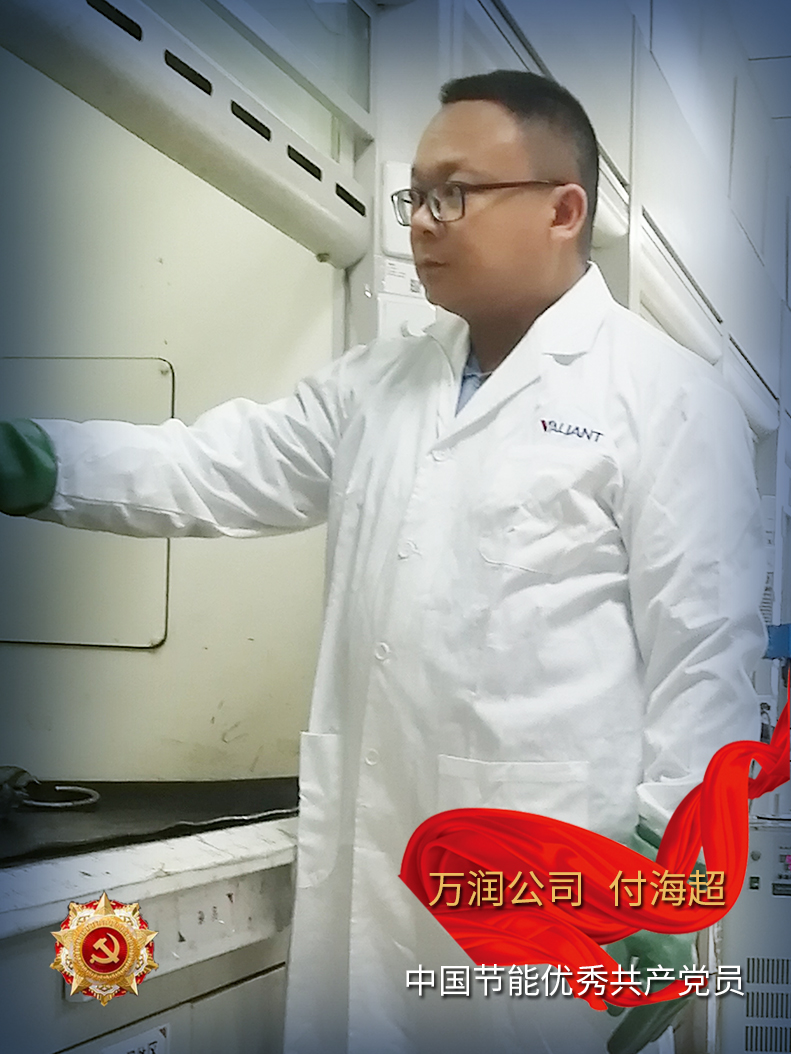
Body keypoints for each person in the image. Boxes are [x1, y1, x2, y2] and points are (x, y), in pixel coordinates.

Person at [0, 71, 766, 1053]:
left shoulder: (664, 397)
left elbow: (703, 661)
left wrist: (665, 884)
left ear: (561, 210)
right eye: (415, 196)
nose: (421, 224)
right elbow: (209, 466)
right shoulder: (375, 387)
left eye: (455, 194)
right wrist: (35, 461)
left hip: (550, 900)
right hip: (371, 894)